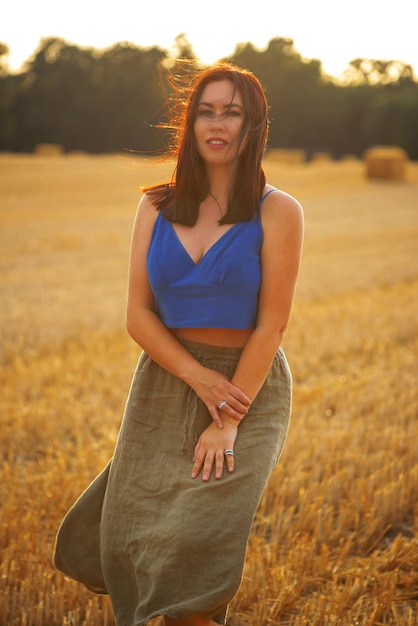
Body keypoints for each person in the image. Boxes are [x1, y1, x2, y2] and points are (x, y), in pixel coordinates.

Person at [53, 61, 304, 626]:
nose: (218, 124)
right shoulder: (155, 206)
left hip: (247, 388)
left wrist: (227, 413)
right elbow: (138, 315)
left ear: (254, 126)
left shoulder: (279, 211)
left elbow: (272, 325)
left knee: (198, 552)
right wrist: (197, 378)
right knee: (138, 540)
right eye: (206, 112)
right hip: (164, 385)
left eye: (232, 113)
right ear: (190, 125)